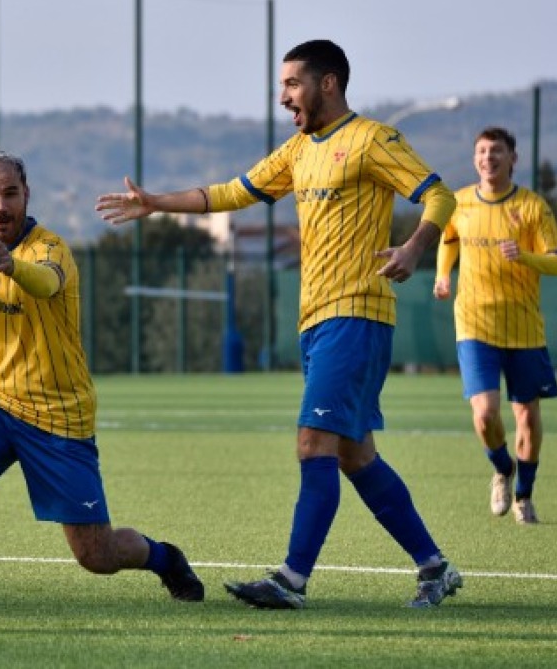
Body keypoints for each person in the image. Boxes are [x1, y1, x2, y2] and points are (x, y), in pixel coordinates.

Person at [96, 39, 462, 609]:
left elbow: (438, 194)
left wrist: (417, 246)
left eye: (292, 83)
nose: (283, 96)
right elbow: (233, 192)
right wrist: (157, 203)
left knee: (313, 441)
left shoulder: (372, 139)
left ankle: (292, 579)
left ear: (329, 83)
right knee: (354, 454)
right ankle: (434, 567)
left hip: (357, 312)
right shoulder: (298, 150)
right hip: (317, 321)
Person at [0, 149, 204, 606]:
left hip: (58, 416)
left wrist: (12, 267)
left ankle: (166, 559)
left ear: (26, 195)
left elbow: (44, 282)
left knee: (96, 554)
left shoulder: (50, 248)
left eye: (9, 193)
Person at [433, 127, 557, 526]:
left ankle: (524, 495)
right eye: (481, 151)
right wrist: (443, 275)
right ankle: (501, 468)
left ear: (513, 159)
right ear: (475, 158)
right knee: (486, 414)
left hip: (524, 328)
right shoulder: (459, 202)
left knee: (527, 416)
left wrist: (525, 256)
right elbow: (449, 238)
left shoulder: (532, 207)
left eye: (496, 151)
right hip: (474, 322)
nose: (488, 158)